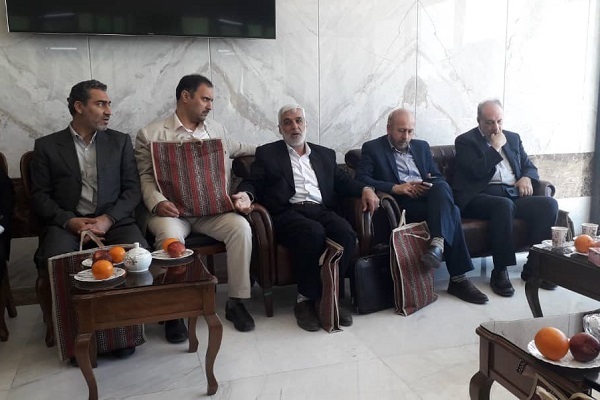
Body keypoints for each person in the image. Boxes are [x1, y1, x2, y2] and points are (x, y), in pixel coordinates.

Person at [235, 104, 379, 332]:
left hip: (320, 209)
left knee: (346, 234)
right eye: (288, 122)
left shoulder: (325, 154)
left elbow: (344, 182)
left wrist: (366, 189)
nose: (295, 126)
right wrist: (245, 195)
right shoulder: (268, 154)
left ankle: (328, 295)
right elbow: (253, 181)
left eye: (299, 121)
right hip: (286, 212)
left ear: (306, 124)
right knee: (312, 232)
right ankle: (305, 299)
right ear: (280, 128)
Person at [31, 79, 147, 359]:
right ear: (79, 107)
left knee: (137, 255)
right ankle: (75, 336)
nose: (109, 111)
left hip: (113, 221)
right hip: (68, 223)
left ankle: (123, 333)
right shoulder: (47, 146)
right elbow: (39, 196)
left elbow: (132, 190)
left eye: (109, 104)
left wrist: (108, 219)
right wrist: (68, 221)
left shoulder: (120, 142)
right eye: (101, 104)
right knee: (58, 258)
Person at [135, 74, 256, 339]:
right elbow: (144, 176)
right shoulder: (150, 134)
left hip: (211, 211)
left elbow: (243, 148)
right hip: (172, 213)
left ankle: (237, 301)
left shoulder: (217, 130)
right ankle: (174, 311)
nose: (210, 106)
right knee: (169, 238)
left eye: (212, 100)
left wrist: (281, 148)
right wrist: (158, 202)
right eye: (205, 99)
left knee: (241, 228)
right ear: (185, 97)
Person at [356, 109, 489, 304]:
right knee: (452, 211)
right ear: (388, 129)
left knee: (441, 187)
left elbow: (437, 176)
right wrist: (397, 188)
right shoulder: (373, 148)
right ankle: (458, 279)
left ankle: (438, 244)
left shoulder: (421, 147)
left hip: (429, 199)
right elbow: (361, 178)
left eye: (410, 131)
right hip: (402, 204)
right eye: (401, 131)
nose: (406, 137)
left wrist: (426, 184)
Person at [452, 99, 559, 294]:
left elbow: (529, 166)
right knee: (503, 205)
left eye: (499, 121)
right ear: (479, 121)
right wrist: (494, 148)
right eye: (490, 122)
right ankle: (500, 270)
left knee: (549, 205)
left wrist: (526, 177)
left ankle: (535, 267)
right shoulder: (465, 141)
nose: (496, 128)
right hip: (480, 196)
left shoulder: (513, 138)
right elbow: (476, 172)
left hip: (513, 194)